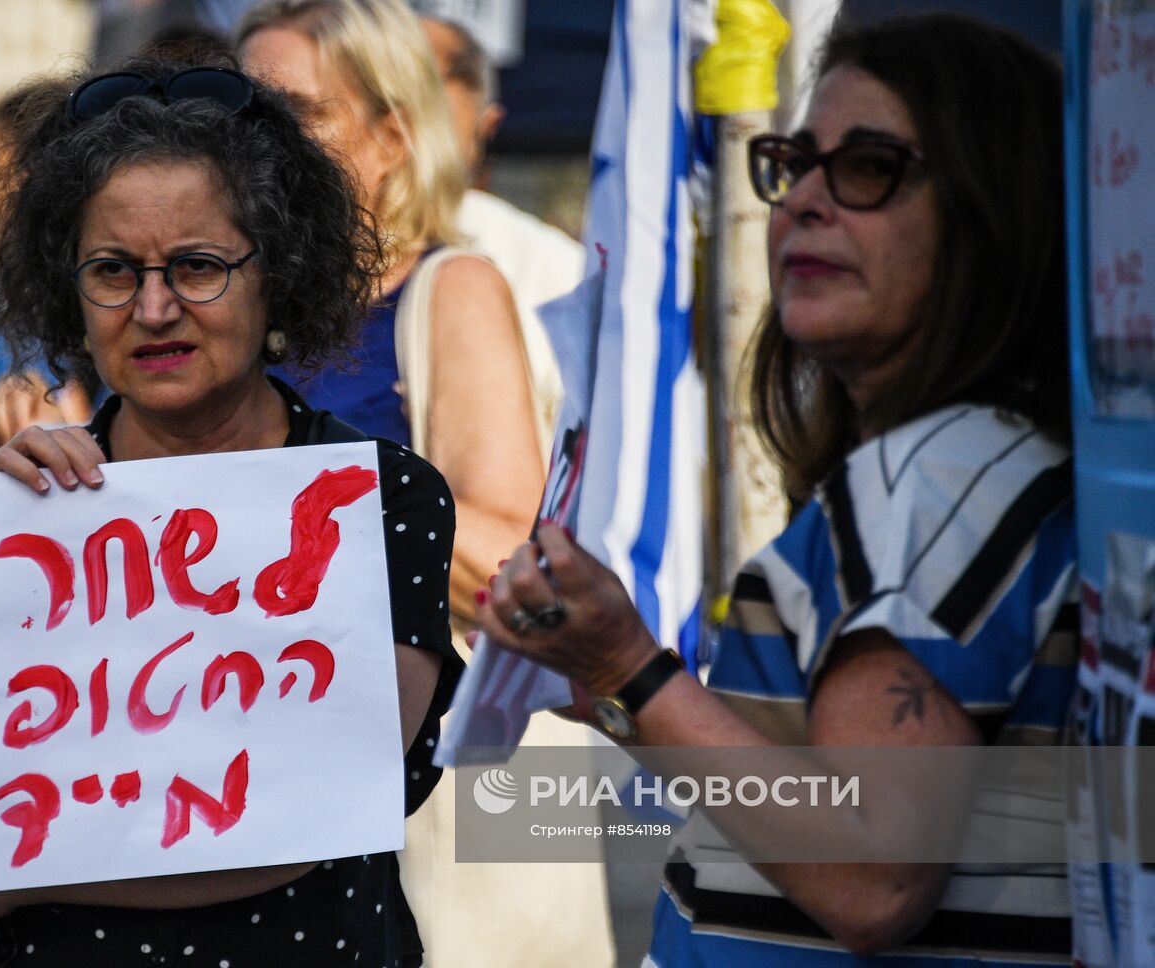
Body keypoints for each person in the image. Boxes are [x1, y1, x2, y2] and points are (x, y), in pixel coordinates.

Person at [480, 13, 1076, 966]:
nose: (803, 201)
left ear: (994, 212)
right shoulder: (957, 466)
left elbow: (871, 876)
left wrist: (630, 666)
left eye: (870, 167)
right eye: (793, 164)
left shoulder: (934, 476)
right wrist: (614, 692)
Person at [0, 56, 460, 968]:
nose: (153, 307)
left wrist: (10, 877)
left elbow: (315, 804)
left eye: (198, 266)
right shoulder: (17, 512)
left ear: (279, 272)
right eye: (112, 269)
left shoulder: (383, 499)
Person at [236, 4, 615, 966]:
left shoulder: (450, 289)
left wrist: (288, 486)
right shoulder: (239, 311)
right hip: (279, 804)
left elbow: (512, 562)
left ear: (392, 136)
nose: (253, 147)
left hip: (437, 817)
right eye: (237, 115)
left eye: (295, 114)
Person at [420, 14, 584, 455]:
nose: (405, 134)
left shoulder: (555, 267)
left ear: (486, 127)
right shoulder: (295, 258)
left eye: (429, 108)